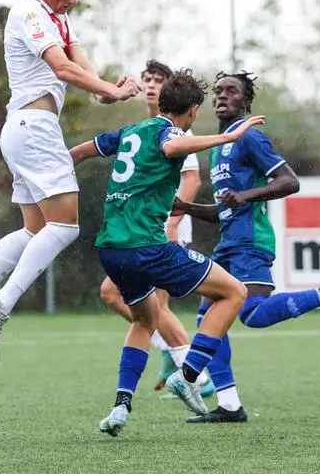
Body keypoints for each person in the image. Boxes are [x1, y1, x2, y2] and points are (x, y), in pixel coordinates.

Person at [0, 0, 141, 358]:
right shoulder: (29, 13)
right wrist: (110, 91)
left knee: (34, 230)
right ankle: (2, 301)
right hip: (35, 128)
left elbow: (77, 62)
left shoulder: (58, 17)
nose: (72, 0)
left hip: (24, 129)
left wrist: (104, 89)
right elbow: (63, 69)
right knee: (65, 227)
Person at [173, 71, 320, 424]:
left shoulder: (249, 137)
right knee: (208, 319)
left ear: (245, 102)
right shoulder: (220, 143)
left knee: (252, 314)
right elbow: (223, 209)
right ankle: (229, 405)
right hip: (230, 243)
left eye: (232, 91)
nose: (223, 96)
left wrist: (246, 196)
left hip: (251, 241)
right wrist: (185, 207)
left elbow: (289, 181)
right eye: (219, 91)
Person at [69, 69, 265, 437]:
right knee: (234, 292)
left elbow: (78, 153)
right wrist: (231, 134)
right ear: (192, 112)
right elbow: (172, 146)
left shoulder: (129, 132)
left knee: (145, 320)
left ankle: (120, 408)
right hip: (148, 247)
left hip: (111, 249)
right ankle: (188, 375)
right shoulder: (171, 133)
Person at [97, 59, 215, 397]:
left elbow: (192, 178)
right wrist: (105, 95)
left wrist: (171, 222)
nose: (149, 85)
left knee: (153, 310)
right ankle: (173, 355)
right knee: (119, 296)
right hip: (140, 232)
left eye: (157, 81)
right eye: (146, 79)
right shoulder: (145, 128)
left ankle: (196, 373)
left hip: (160, 231)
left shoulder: (177, 133)